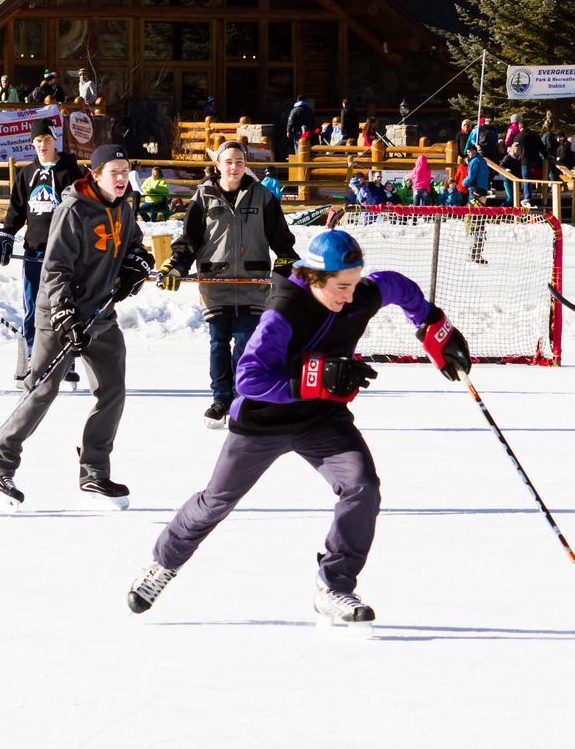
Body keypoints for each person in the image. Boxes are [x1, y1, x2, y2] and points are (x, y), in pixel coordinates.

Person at [125, 228, 473, 625]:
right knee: (216, 501)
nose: (350, 295)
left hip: (322, 420)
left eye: (356, 283)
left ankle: (335, 585)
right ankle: (162, 564)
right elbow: (249, 379)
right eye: (342, 286)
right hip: (262, 422)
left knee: (363, 487)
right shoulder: (284, 311)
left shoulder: (361, 294)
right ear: (314, 278)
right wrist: (318, 378)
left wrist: (433, 327)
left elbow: (399, 287)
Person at [0, 144, 151, 511]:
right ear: (96, 173)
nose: (121, 178)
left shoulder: (123, 206)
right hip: (60, 314)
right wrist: (65, 316)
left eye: (125, 171)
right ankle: (0, 464)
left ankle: (94, 471)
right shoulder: (73, 209)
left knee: (113, 390)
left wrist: (137, 264)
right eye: (114, 172)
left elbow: (135, 246)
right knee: (42, 390)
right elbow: (54, 269)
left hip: (100, 314)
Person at [166, 140, 299, 429]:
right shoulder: (203, 197)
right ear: (218, 165)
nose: (234, 167)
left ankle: (241, 399)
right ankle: (219, 400)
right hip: (215, 283)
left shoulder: (262, 196)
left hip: (253, 283)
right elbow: (189, 240)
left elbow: (283, 243)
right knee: (218, 344)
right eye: (228, 162)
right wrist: (175, 266)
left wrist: (284, 265)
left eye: (239, 161)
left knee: (244, 343)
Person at [0, 129, 83, 381]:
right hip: (34, 249)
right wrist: (6, 234)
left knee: (63, 304)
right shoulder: (27, 173)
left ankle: (65, 360)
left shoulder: (70, 172)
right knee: (33, 306)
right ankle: (33, 356)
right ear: (32, 143)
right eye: (38, 141)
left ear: (56, 142)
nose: (43, 145)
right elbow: (17, 209)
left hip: (65, 250)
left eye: (48, 140)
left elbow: (84, 209)